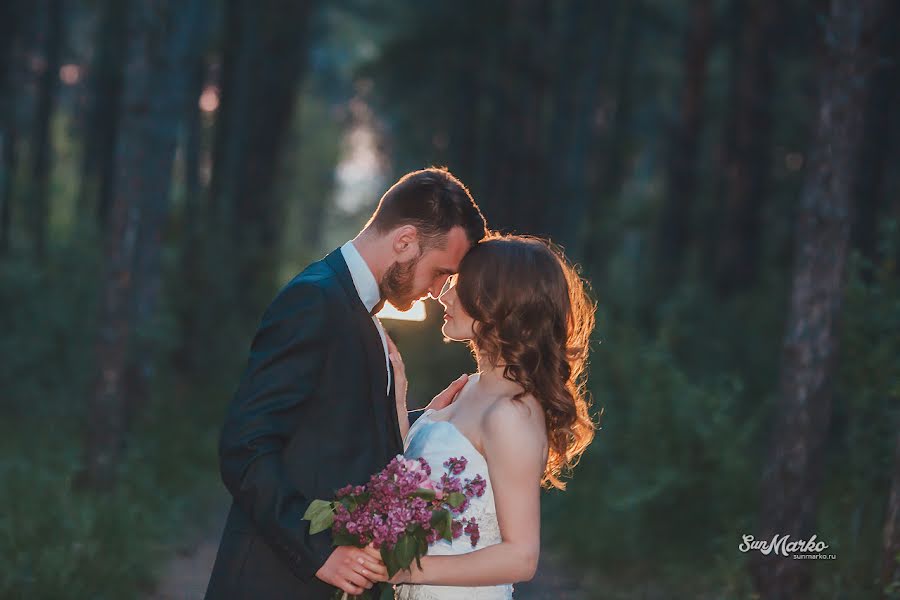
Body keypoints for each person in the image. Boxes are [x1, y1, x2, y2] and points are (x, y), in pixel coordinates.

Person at [204, 167, 488, 599]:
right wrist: (320, 551)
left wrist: (422, 420)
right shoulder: (315, 300)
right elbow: (245, 446)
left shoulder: (355, 308)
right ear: (405, 241)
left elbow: (335, 430)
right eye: (439, 272)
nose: (437, 290)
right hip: (276, 581)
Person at [386, 234, 598, 599]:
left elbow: (521, 556)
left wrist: (404, 568)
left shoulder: (511, 413)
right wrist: (401, 404)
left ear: (499, 305)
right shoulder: (467, 389)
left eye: (460, 287)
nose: (444, 295)